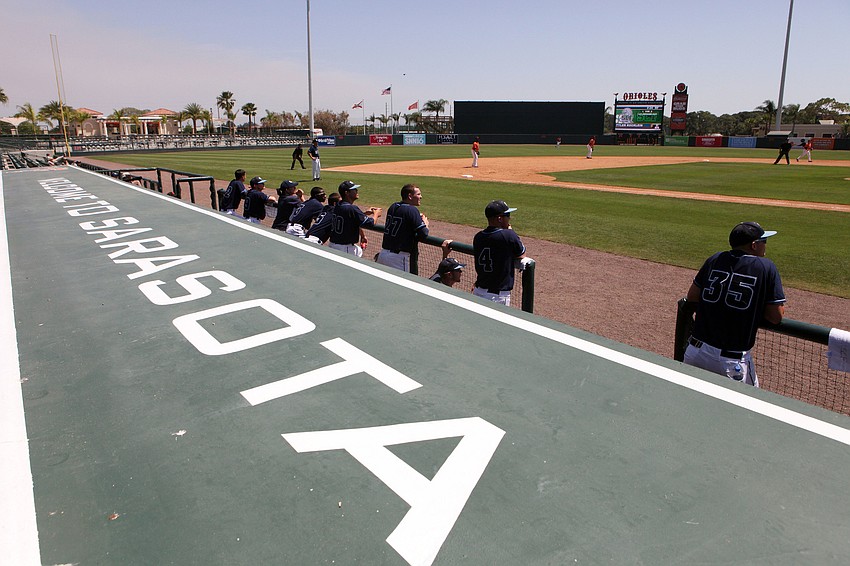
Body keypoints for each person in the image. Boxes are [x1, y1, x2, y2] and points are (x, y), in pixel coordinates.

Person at [683, 221, 786, 387]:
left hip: (696, 352)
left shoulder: (715, 259)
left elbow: (692, 296)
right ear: (754, 245)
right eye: (764, 242)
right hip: (731, 363)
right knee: (750, 407)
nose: (765, 246)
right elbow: (776, 316)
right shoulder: (766, 267)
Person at [472, 200, 527, 306]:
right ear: (499, 219)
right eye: (507, 215)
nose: (509, 218)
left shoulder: (478, 236)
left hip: (478, 291)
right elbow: (521, 254)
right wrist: (511, 231)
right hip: (497, 297)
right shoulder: (508, 236)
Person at [376, 184, 429, 272]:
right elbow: (424, 233)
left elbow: (404, 220)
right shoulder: (412, 210)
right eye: (418, 194)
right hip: (398, 259)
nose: (421, 197)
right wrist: (425, 224)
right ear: (410, 196)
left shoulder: (393, 206)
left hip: (383, 254)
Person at [328, 180, 382, 257]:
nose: (356, 191)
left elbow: (349, 217)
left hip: (333, 245)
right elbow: (370, 224)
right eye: (354, 189)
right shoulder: (352, 208)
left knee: (359, 251)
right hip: (344, 248)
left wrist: (364, 214)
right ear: (347, 193)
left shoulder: (338, 205)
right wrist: (376, 214)